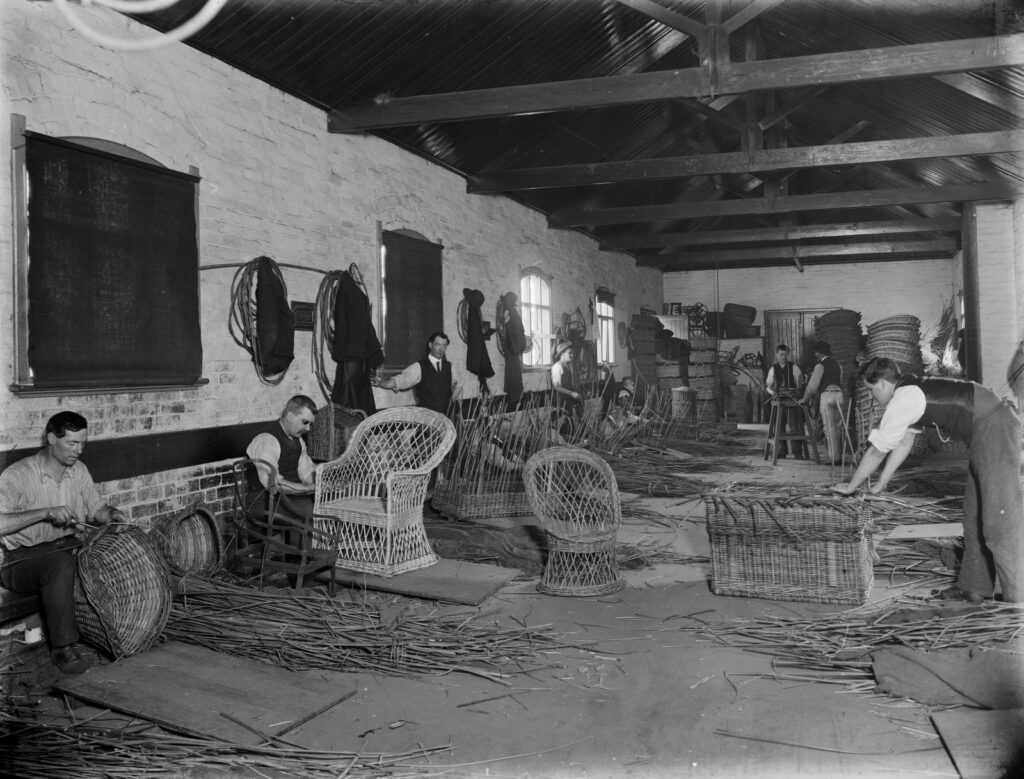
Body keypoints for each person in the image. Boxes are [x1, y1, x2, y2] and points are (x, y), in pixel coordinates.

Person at [833, 357, 1023, 604]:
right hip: (984, 433)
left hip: (995, 427)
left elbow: (877, 449)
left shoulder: (904, 397)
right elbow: (904, 441)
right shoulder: (911, 389)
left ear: (880, 383)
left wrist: (850, 486)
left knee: (999, 521)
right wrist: (881, 482)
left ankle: (1017, 603)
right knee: (974, 517)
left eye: (870, 391)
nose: (872, 398)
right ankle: (973, 590)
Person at [0, 412, 128, 675]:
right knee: (60, 564)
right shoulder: (18, 475)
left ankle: (121, 632)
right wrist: (45, 512)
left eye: (82, 443)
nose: (78, 451)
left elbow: (98, 510)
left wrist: (113, 515)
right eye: (72, 443)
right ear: (51, 439)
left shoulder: (78, 471)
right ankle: (64, 649)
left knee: (103, 554)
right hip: (20, 561)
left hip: (66, 548)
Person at [246, 395, 318, 520]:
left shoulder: (298, 440)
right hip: (264, 502)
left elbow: (306, 472)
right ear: (289, 415)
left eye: (310, 424)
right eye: (305, 422)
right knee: (314, 513)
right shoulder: (266, 439)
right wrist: (308, 488)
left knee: (327, 507)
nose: (308, 428)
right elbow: (274, 484)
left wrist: (322, 480)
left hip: (290, 498)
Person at [373, 332, 459, 415]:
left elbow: (456, 389)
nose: (441, 349)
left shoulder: (451, 367)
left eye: (444, 345)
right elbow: (400, 380)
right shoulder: (418, 367)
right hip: (427, 419)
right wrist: (380, 383)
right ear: (430, 345)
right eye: (438, 345)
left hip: (448, 419)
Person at [801, 340, 846, 465]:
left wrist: (805, 399)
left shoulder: (820, 366)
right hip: (839, 394)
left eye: (816, 353)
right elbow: (840, 381)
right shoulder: (838, 365)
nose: (815, 355)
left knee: (829, 428)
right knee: (838, 427)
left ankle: (834, 458)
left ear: (819, 354)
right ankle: (839, 456)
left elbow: (812, 386)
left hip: (827, 394)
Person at [764, 344, 805, 459]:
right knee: (778, 426)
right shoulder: (773, 369)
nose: (783, 357)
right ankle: (781, 452)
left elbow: (799, 384)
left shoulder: (794, 367)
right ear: (777, 355)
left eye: (786, 355)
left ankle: (797, 453)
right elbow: (768, 386)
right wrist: (773, 393)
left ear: (788, 355)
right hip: (778, 400)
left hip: (791, 401)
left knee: (794, 426)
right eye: (781, 354)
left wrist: (795, 393)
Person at [551, 342, 583, 432]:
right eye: (570, 353)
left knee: (570, 425)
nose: (572, 355)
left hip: (567, 401)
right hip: (560, 401)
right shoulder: (557, 367)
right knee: (563, 425)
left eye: (572, 353)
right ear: (562, 353)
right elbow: (557, 387)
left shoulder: (567, 367)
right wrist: (572, 393)